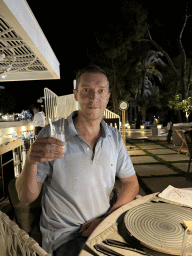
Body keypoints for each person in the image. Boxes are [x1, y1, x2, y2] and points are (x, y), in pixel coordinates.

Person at [15, 65, 139, 256]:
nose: (93, 98)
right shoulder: (53, 134)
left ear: (107, 96)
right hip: (66, 237)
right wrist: (31, 161)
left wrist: (107, 218)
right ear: (76, 94)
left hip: (105, 227)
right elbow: (26, 197)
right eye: (86, 90)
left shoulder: (114, 137)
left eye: (100, 91)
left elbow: (131, 183)